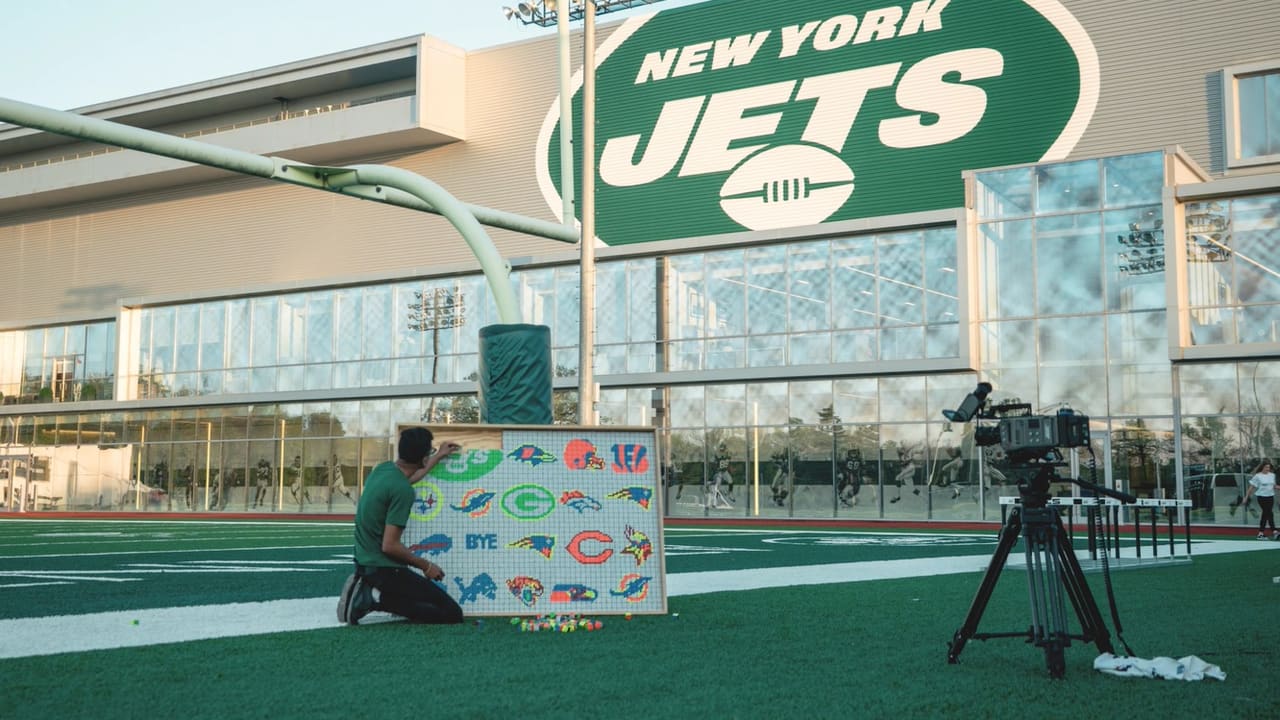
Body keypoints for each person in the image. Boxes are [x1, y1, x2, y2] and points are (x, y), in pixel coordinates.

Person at [337, 427, 465, 625]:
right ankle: (374, 597)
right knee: (451, 613)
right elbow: (390, 546)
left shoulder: (384, 469)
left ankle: (371, 589)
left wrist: (438, 456)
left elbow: (412, 476)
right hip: (383, 569)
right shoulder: (403, 491)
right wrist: (427, 566)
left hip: (365, 561)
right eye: (429, 452)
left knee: (420, 597)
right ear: (421, 458)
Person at [1241, 460, 1277, 539]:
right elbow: (1251, 488)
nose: (1268, 469)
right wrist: (1246, 497)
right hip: (1261, 497)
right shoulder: (1258, 476)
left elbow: (1274, 486)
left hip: (1270, 496)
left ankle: (1273, 532)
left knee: (1269, 513)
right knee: (1266, 513)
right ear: (1262, 467)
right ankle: (1262, 533)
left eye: (1269, 467)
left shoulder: (1272, 475)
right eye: (1266, 467)